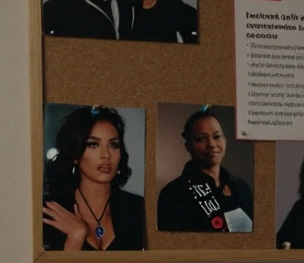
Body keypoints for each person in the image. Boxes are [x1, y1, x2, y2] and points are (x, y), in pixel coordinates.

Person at [42, 106, 146, 251]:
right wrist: (76, 238)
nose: (106, 155)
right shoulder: (48, 211)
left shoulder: (139, 209)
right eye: (93, 144)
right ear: (75, 154)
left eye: (113, 145)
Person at [157, 107, 254, 232]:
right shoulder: (174, 193)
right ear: (188, 146)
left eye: (217, 136)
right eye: (201, 139)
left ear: (225, 141)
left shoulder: (243, 187)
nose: (211, 144)